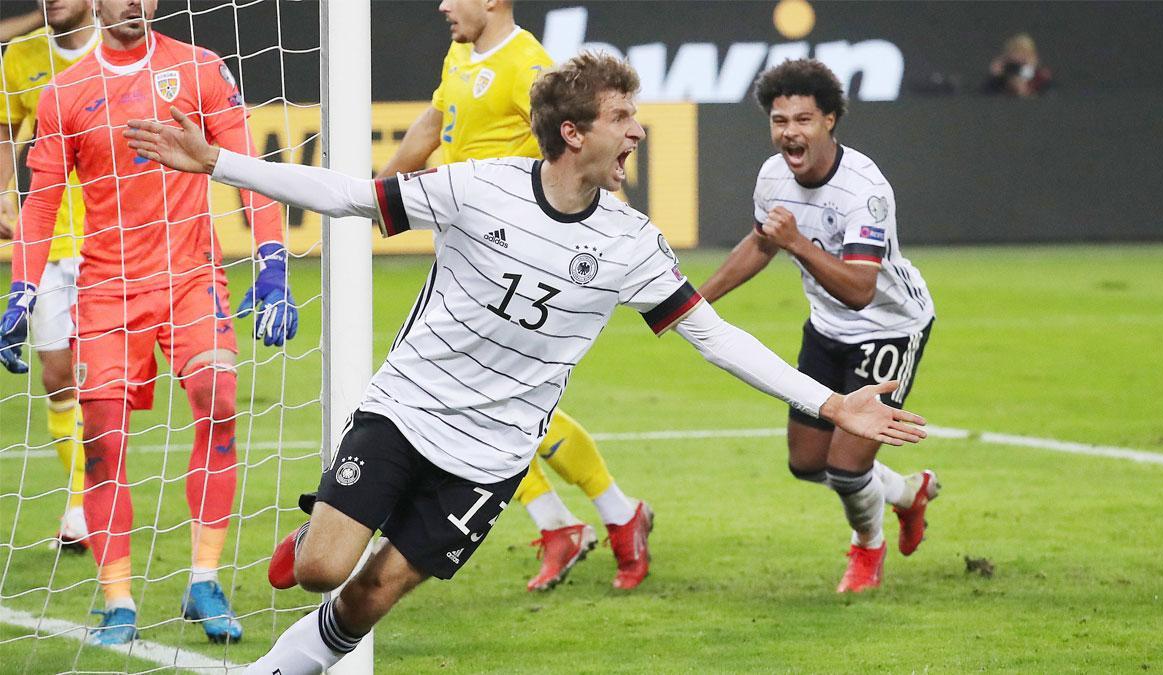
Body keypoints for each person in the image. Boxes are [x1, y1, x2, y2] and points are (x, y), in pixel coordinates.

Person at [126, 52, 927, 673]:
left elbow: (715, 336)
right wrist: (217, 163)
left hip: (493, 457)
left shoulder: (632, 243)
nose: (638, 130)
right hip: (407, 410)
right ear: (576, 132)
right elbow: (348, 197)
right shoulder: (479, 189)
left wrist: (831, 403)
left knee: (371, 594)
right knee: (319, 569)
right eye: (624, 116)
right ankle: (315, 532)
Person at [0, 0, 296, 646]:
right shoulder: (64, 94)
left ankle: (204, 579)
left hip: (192, 275)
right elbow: (42, 201)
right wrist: (22, 288)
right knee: (102, 438)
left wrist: (272, 260)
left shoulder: (201, 69)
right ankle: (117, 601)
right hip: (106, 286)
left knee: (218, 399)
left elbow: (249, 164)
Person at [377, 0, 651, 592]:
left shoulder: (529, 66)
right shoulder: (462, 50)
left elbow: (568, 156)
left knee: (498, 404)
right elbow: (433, 120)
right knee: (480, 403)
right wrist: (381, 195)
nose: (444, 5)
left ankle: (606, 516)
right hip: (465, 245)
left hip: (518, 254)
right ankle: (581, 521)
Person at [698, 59, 939, 593]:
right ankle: (907, 493)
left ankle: (867, 551)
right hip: (826, 328)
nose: (790, 132)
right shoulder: (771, 176)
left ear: (830, 120)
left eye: (803, 119)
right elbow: (760, 243)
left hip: (888, 327)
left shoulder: (864, 191)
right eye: (780, 120)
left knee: (849, 470)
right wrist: (695, 302)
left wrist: (798, 244)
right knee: (807, 463)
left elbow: (859, 290)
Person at [0, 0, 98, 553]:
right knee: (58, 375)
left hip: (114, 235)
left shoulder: (121, 46)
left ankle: (90, 504)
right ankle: (84, 496)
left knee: (108, 381)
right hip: (49, 237)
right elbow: (4, 127)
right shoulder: (21, 57)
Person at [984, 33, 1052, 97]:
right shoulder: (999, 80)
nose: (1019, 58)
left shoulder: (1042, 78)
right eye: (1016, 52)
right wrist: (995, 77)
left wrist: (1025, 88)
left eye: (1025, 53)